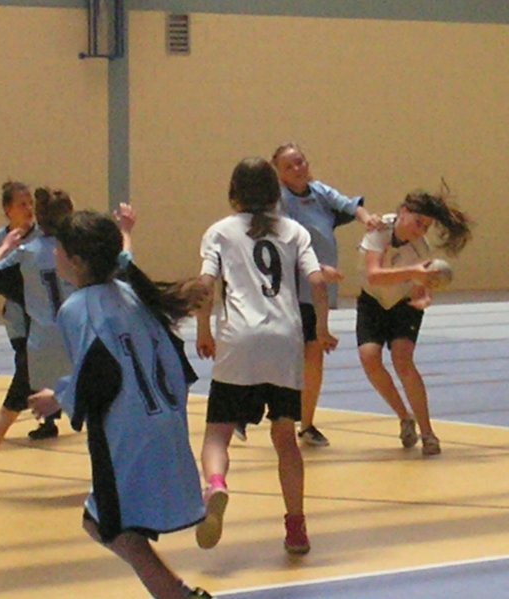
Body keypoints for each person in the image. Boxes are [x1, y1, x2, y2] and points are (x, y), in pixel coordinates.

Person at [29, 210, 212, 599]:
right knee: (113, 523)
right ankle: (179, 592)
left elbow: (97, 373)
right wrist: (126, 231)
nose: (55, 254)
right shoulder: (131, 293)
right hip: (163, 419)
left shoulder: (77, 308)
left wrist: (58, 399)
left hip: (127, 432)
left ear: (77, 261)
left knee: (106, 524)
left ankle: (180, 596)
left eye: (59, 249)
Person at [195, 157, 337, 554]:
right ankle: (296, 528)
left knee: (218, 432)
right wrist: (321, 329)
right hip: (284, 341)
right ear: (276, 193)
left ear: (233, 193)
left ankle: (216, 486)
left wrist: (204, 330)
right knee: (285, 438)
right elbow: (317, 283)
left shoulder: (220, 232)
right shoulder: (294, 231)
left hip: (239, 340)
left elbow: (205, 284)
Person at [271, 142, 382, 447]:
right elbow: (282, 249)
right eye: (289, 166)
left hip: (318, 289)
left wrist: (367, 219)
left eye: (300, 162)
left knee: (314, 356)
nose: (298, 169)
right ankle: (256, 412)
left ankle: (306, 424)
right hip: (291, 289)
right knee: (282, 356)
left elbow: (349, 205)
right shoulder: (278, 203)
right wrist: (317, 268)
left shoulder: (319, 191)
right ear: (279, 173)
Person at [356, 188, 471, 457]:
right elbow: (374, 275)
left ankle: (428, 433)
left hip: (403, 303)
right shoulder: (379, 230)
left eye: (426, 227)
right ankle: (404, 417)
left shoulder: (421, 248)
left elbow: (422, 284)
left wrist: (425, 294)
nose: (421, 230)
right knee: (369, 358)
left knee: (402, 359)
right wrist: (413, 272)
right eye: (418, 222)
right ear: (403, 212)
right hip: (373, 300)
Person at [0, 187, 76, 458]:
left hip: (41, 349)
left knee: (6, 414)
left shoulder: (27, 252)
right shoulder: (77, 251)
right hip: (77, 342)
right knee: (104, 412)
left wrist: (5, 248)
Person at [0, 181, 41, 446]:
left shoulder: (42, 236)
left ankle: (46, 418)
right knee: (23, 360)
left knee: (40, 361)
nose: (28, 209)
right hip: (17, 315)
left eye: (30, 203)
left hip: (40, 314)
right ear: (8, 210)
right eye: (22, 204)